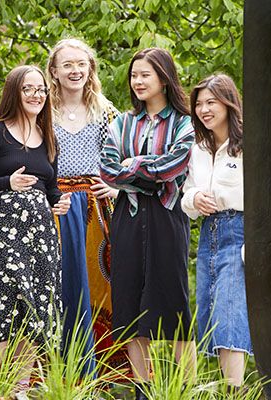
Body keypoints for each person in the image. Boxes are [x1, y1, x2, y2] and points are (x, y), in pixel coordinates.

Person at [99, 48, 196, 400]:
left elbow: (175, 167)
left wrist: (132, 166)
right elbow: (107, 168)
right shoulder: (121, 122)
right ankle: (143, 388)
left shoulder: (185, 123)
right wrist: (146, 170)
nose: (138, 81)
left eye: (146, 75)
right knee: (130, 301)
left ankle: (182, 389)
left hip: (168, 218)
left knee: (173, 302)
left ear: (164, 79)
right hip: (128, 217)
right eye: (134, 75)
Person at [0, 65, 71, 390]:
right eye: (28, 89)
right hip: (4, 228)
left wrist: (60, 201)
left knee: (37, 306)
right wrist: (8, 183)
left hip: (41, 231)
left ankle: (19, 389)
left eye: (41, 89)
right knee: (3, 302)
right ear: (15, 92)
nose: (36, 95)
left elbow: (50, 185)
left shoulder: (48, 135)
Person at [45, 38, 125, 377]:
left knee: (98, 287)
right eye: (67, 65)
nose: (75, 70)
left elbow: (125, 158)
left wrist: (116, 185)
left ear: (90, 68)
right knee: (53, 286)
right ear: (54, 71)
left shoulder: (105, 111)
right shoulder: (42, 109)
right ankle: (50, 376)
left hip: (95, 209)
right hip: (56, 206)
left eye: (81, 64)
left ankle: (96, 378)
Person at [182, 74, 251, 391]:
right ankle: (229, 388)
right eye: (199, 104)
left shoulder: (248, 145)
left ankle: (234, 390)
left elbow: (264, 196)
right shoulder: (197, 148)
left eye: (211, 102)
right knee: (210, 313)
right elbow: (187, 196)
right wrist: (195, 198)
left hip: (240, 232)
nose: (204, 109)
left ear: (228, 103)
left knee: (230, 311)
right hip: (209, 233)